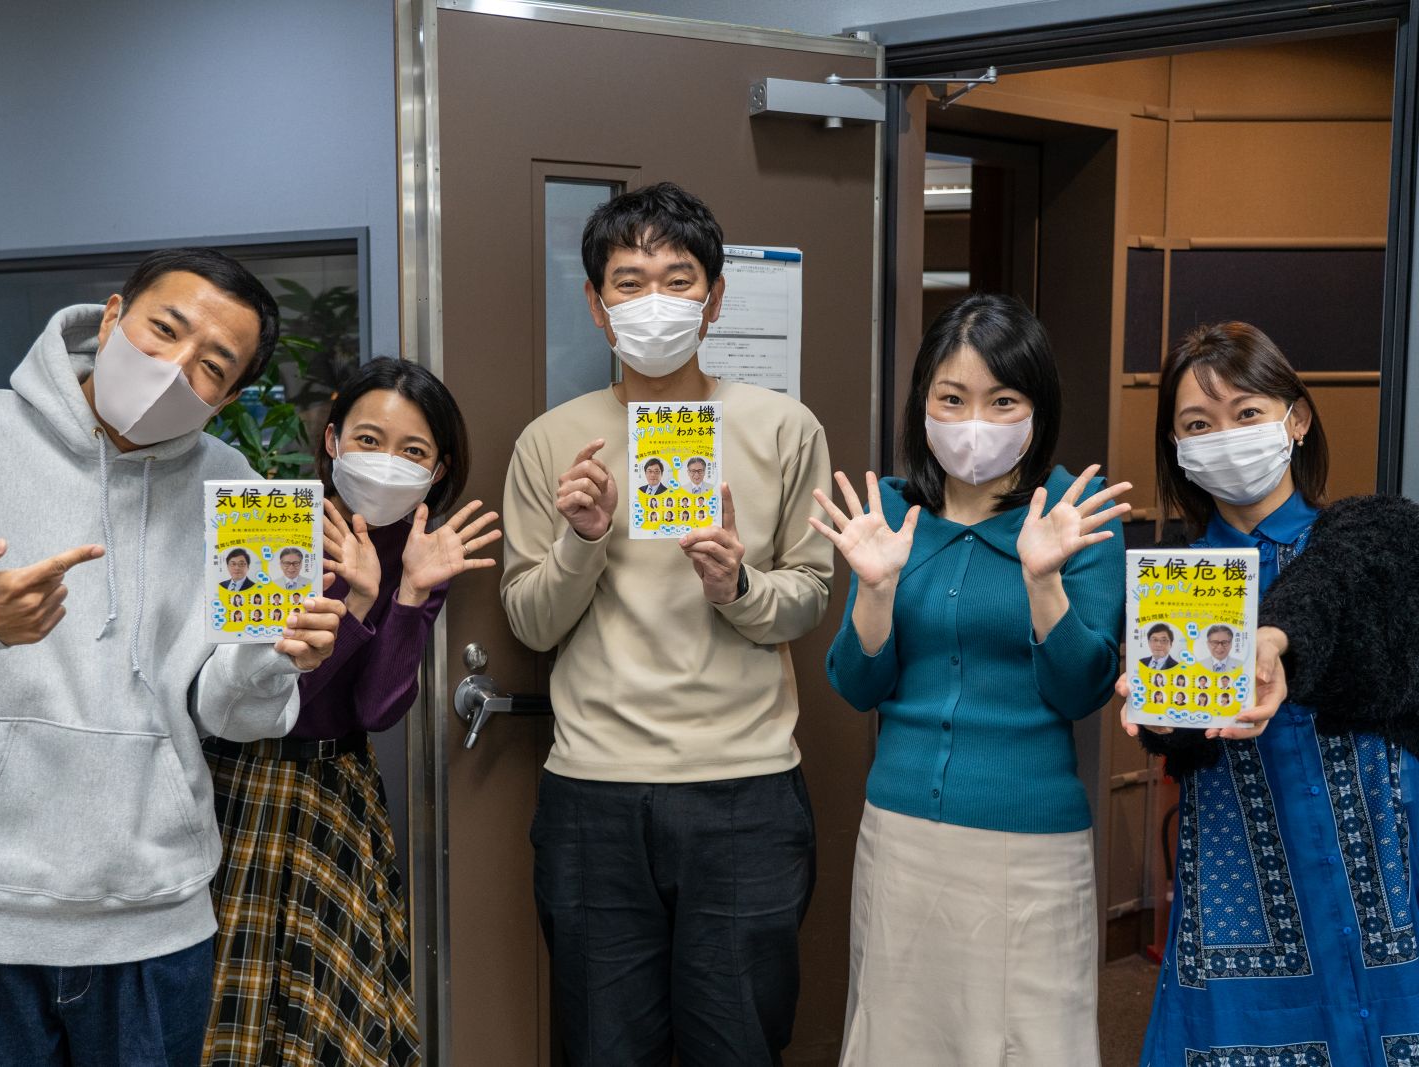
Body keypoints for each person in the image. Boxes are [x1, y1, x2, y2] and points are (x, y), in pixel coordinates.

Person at [0, 247, 346, 1064]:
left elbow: (230, 714)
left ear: (233, 395)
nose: (174, 369)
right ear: (110, 317)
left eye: (211, 366)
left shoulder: (235, 489)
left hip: (156, 919)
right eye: (163, 330)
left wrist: (272, 659)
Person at [501, 182, 832, 1066]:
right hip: (593, 794)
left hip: (747, 790)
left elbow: (810, 594)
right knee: (604, 1047)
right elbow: (531, 623)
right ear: (596, 304)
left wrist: (737, 586)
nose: (655, 302)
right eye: (629, 280)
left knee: (740, 1044)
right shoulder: (552, 442)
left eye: (678, 279)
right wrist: (584, 540)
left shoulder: (782, 427)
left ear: (715, 297)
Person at [820, 293, 1127, 1064]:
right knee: (900, 1038)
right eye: (951, 399)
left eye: (1002, 399)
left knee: (1030, 1042)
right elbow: (858, 686)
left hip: (1031, 844)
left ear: (1037, 407)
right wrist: (879, 590)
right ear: (923, 401)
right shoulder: (891, 509)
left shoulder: (1075, 514)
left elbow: (1082, 690)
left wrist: (1044, 581)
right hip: (903, 835)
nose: (974, 421)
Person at [1123, 321, 1419, 1064]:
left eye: (1246, 413)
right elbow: (1177, 737)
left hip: (1390, 876)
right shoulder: (1173, 584)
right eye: (1198, 424)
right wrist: (1157, 709)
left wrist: (1275, 637)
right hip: (1239, 887)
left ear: (1297, 416)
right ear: (1178, 451)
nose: (1224, 436)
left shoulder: (1372, 536)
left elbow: (1333, 587)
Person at [204, 358, 498, 1067]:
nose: (386, 462)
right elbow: (270, 701)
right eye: (368, 439)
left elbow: (376, 707)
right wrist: (356, 603)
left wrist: (405, 599)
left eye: (413, 450)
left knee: (333, 999)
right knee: (229, 998)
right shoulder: (273, 525)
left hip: (336, 790)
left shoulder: (421, 550)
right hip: (238, 785)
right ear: (332, 440)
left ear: (439, 468)